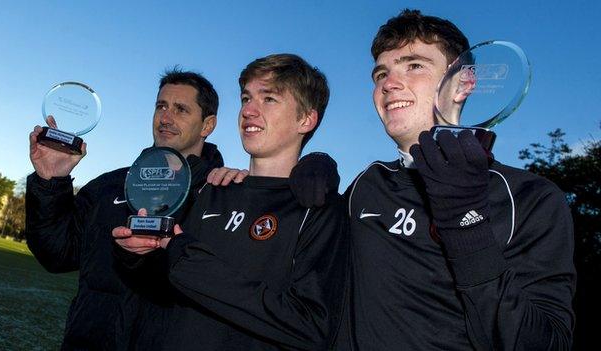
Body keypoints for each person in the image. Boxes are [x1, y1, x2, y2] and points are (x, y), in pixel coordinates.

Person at [336, 9, 576, 350]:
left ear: (463, 82)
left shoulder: (530, 197)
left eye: (414, 65)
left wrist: (467, 228)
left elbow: (546, 343)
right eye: (380, 74)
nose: (388, 84)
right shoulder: (367, 184)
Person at [113, 53, 349, 350]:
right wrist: (136, 256)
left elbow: (311, 325)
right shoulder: (210, 190)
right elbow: (163, 292)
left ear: (306, 119)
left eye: (269, 99)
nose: (249, 110)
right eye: (246, 98)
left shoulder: (319, 210)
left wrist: (186, 261)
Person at [25, 69, 223, 350]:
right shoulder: (109, 186)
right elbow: (56, 254)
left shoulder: (222, 198)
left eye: (181, 109)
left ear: (207, 125)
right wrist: (50, 181)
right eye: (161, 106)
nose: (166, 118)